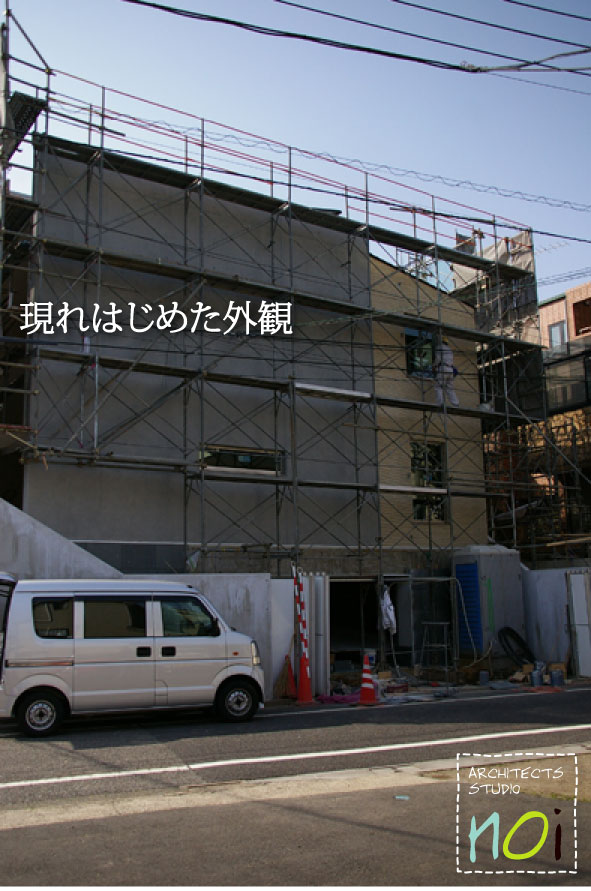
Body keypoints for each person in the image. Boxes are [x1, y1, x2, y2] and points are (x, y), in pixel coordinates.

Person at [432, 336, 459, 407]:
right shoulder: (450, 350)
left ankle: (440, 403)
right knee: (450, 388)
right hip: (450, 370)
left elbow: (438, 358)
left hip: (443, 368)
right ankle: (455, 403)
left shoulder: (439, 347)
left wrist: (434, 365)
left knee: (438, 386)